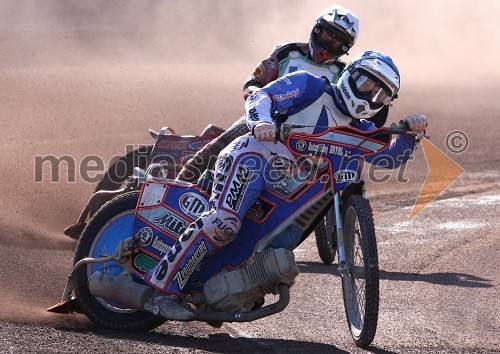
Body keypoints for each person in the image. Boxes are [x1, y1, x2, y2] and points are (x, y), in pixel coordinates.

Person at [142, 50, 428, 320]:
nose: (370, 95)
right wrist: (261, 123)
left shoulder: (359, 131)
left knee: (260, 249)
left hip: (285, 191)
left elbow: (390, 157)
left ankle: (211, 292)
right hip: (253, 157)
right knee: (224, 222)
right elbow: (262, 97)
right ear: (350, 74)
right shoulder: (311, 86)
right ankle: (160, 291)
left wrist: (410, 135)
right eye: (367, 83)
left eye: (380, 94)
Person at [176, 4, 364, 183]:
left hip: (311, 138)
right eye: (325, 37)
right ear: (316, 30)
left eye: (335, 43)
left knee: (324, 176)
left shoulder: (343, 74)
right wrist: (260, 106)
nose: (326, 47)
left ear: (345, 49)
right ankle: (177, 186)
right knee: (219, 146)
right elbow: (252, 84)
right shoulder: (287, 52)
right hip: (267, 121)